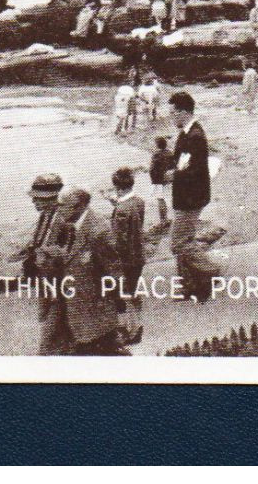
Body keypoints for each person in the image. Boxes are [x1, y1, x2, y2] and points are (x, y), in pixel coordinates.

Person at [37, 186, 126, 355]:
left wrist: (123, 308)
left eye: (63, 205)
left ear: (80, 206)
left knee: (101, 353)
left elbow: (114, 271)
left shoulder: (98, 230)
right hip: (69, 302)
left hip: (93, 311)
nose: (59, 209)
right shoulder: (68, 223)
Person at [167, 92, 218, 301]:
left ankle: (209, 271)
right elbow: (182, 161)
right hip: (185, 196)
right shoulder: (187, 133)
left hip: (191, 198)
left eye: (172, 113)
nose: (170, 117)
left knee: (178, 243)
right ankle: (191, 285)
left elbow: (195, 170)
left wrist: (174, 175)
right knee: (185, 239)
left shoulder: (195, 136)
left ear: (183, 112)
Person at [109, 167, 146, 345]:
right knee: (132, 291)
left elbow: (119, 241)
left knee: (121, 295)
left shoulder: (122, 211)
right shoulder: (139, 202)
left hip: (126, 260)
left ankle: (129, 330)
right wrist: (117, 204)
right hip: (138, 255)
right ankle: (136, 326)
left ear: (117, 187)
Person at [148, 138, 172, 224]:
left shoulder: (156, 155)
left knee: (160, 199)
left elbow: (152, 169)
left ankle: (163, 220)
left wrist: (153, 181)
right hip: (168, 179)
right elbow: (173, 166)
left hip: (158, 179)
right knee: (166, 198)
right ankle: (167, 218)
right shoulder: (169, 153)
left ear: (157, 145)